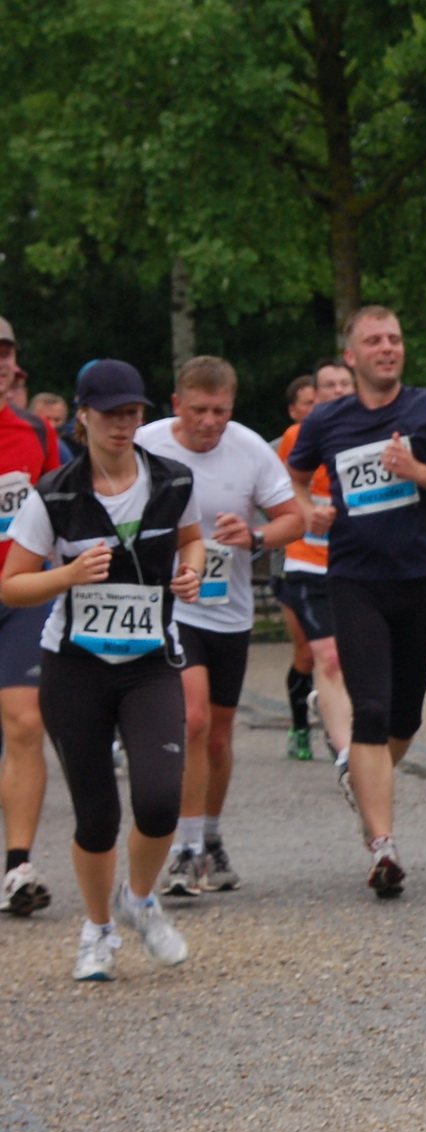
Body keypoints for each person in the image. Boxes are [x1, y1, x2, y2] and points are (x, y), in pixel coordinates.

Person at [0, 359, 204, 980]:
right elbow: (12, 586)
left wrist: (191, 568)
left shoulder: (173, 480)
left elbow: (190, 538)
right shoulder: (56, 494)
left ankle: (139, 901)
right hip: (76, 668)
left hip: (148, 664)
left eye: (133, 413)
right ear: (83, 416)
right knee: (96, 816)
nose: (124, 424)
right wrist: (66, 575)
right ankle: (97, 931)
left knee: (161, 800)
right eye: (111, 413)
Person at [287, 307, 426, 898]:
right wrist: (306, 510)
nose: (387, 348)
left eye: (395, 339)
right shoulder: (327, 421)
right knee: (370, 710)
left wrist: (415, 470)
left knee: (404, 718)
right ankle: (383, 846)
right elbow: (295, 477)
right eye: (373, 340)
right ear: (350, 355)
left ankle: (363, 779)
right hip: (353, 580)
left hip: (418, 580)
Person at [136, 356, 302, 896]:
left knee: (219, 737)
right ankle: (184, 852)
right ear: (177, 404)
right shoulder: (147, 444)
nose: (210, 422)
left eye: (222, 412)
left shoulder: (251, 449)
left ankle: (209, 837)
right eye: (200, 410)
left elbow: (293, 518)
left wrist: (253, 536)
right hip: (170, 606)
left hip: (227, 613)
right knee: (193, 717)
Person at [0, 318, 63, 916]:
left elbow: (70, 497)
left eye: (5, 350)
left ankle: (17, 865)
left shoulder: (37, 432)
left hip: (20, 595)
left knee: (24, 723)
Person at [276, 359, 357, 766]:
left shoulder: (369, 431)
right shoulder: (297, 436)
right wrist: (307, 511)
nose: (339, 391)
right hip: (305, 559)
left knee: (350, 656)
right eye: (329, 385)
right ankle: (309, 730)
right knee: (316, 655)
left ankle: (343, 726)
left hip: (352, 562)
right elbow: (284, 489)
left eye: (346, 383)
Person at [273, 375, 319, 759]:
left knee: (340, 653)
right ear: (293, 411)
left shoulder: (350, 438)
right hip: (292, 561)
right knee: (306, 651)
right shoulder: (284, 444)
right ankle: (300, 726)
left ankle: (348, 734)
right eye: (307, 403)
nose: (315, 410)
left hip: (339, 562)